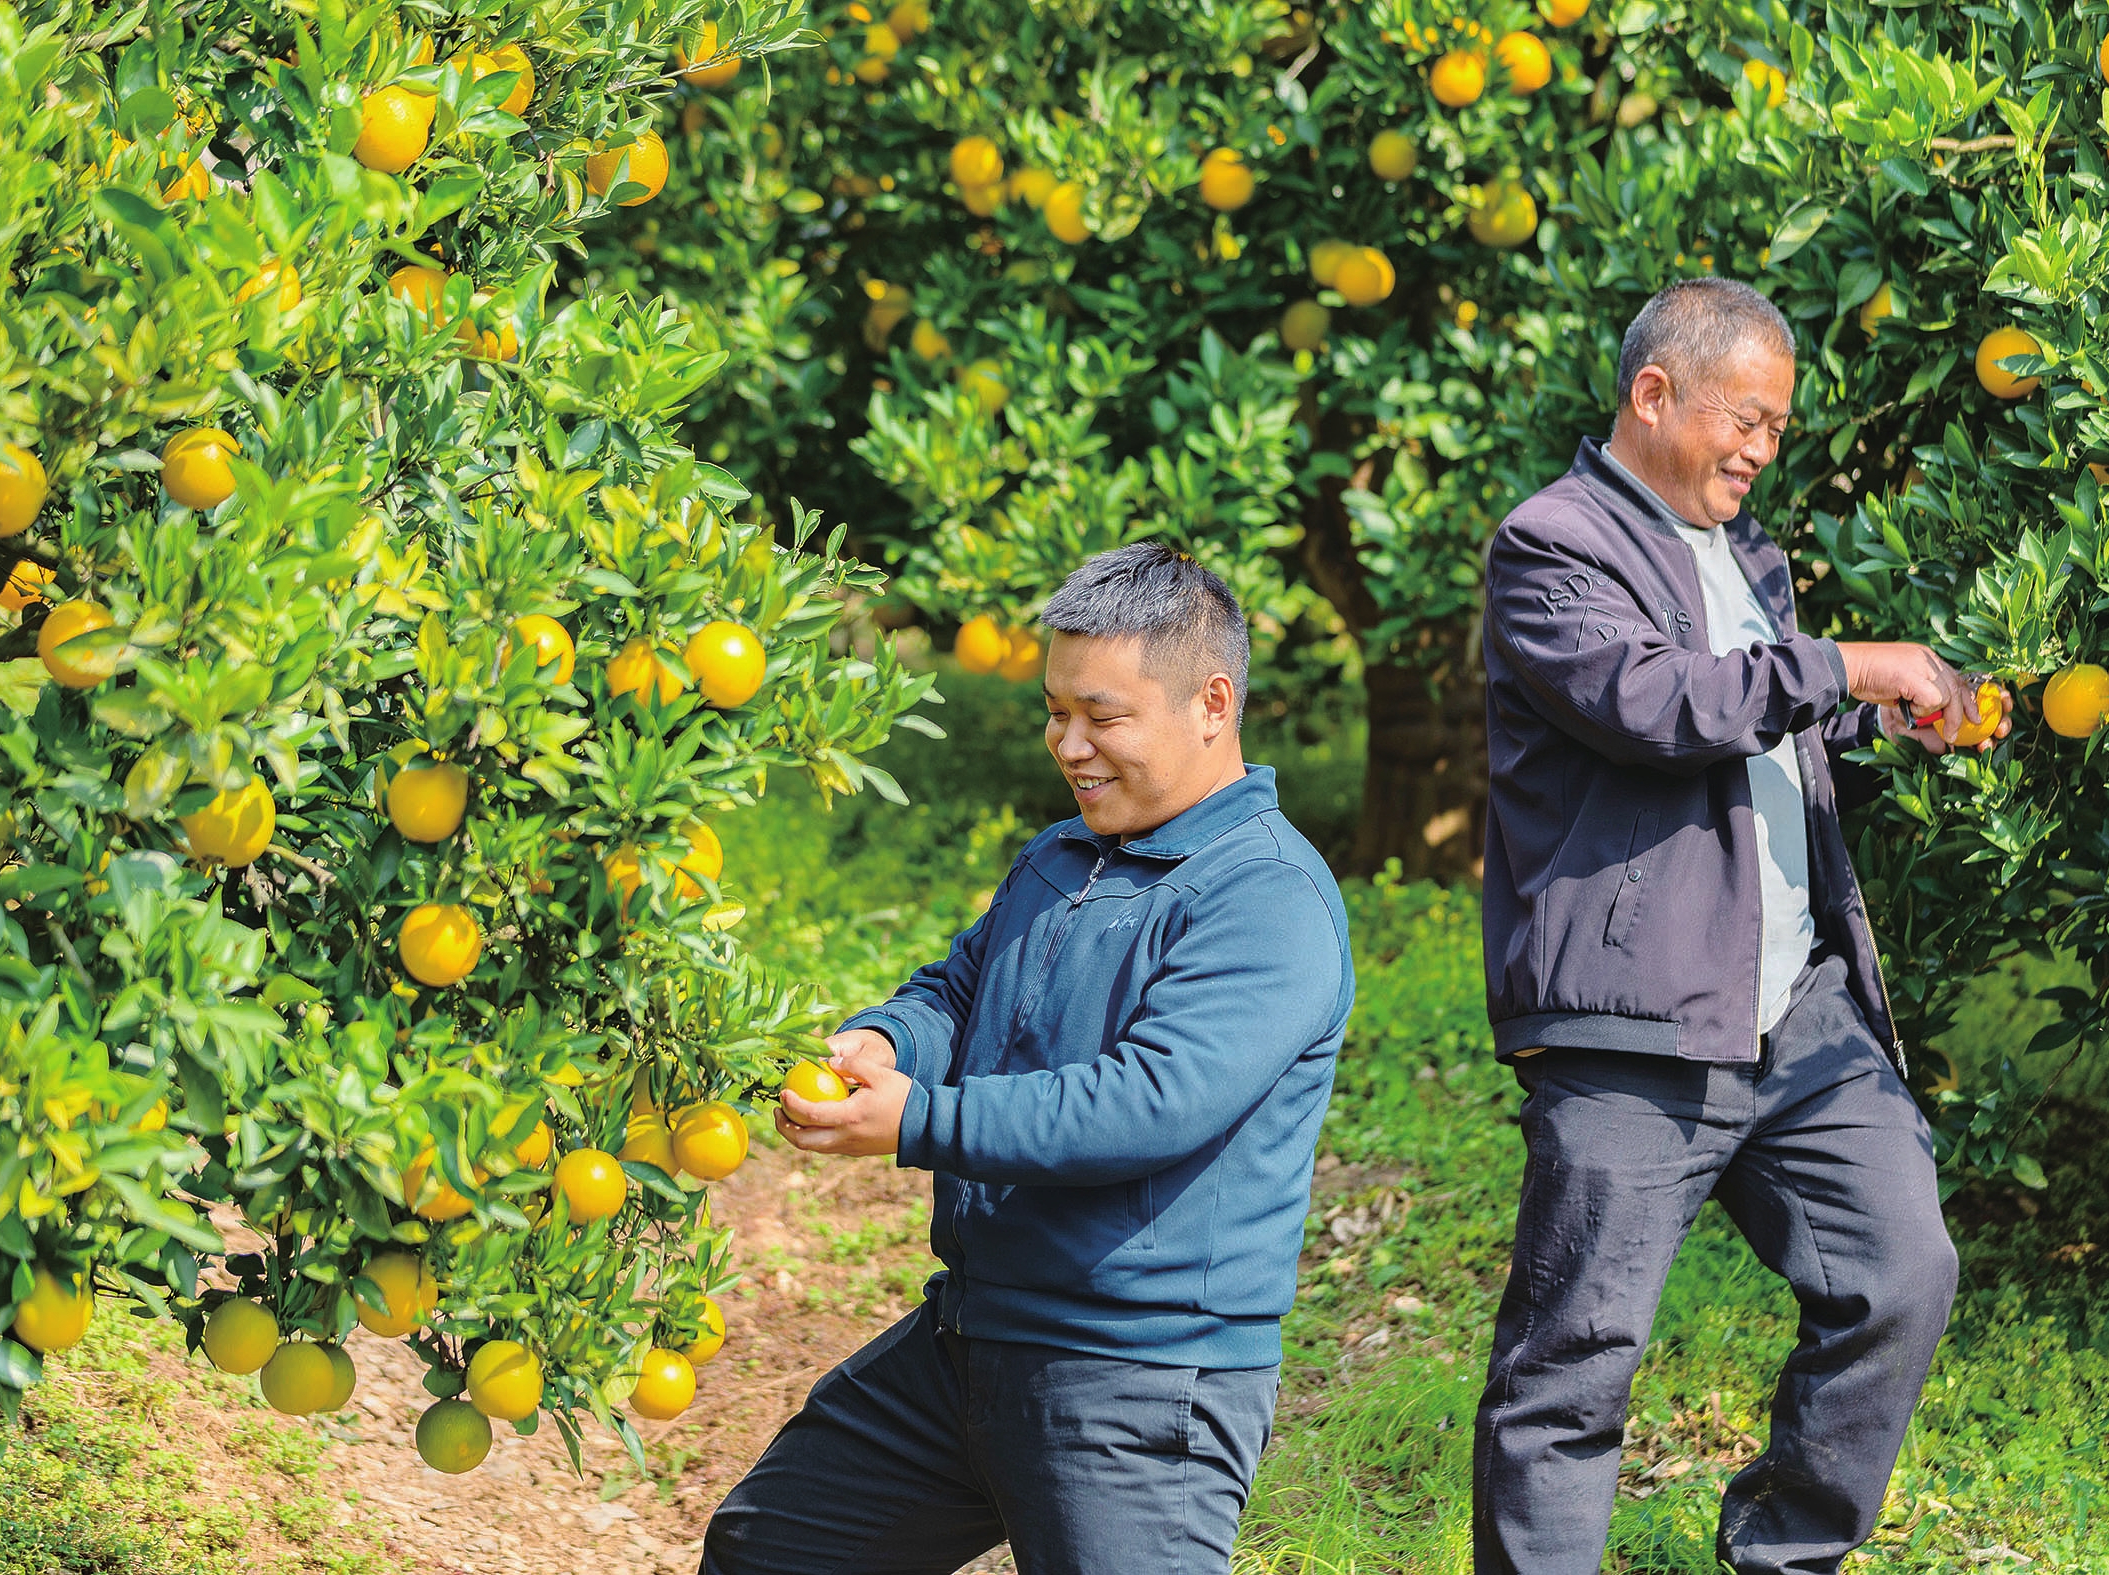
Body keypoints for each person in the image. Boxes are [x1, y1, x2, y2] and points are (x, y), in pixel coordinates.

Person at [1474, 277, 1997, 1573]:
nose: (1761, 448)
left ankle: (1783, 1550)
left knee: (1899, 1272)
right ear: (1653, 393)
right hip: (1634, 1016)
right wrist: (1848, 664)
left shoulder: (1749, 555)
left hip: (1794, 1008)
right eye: (1745, 418)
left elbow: (1768, 735)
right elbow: (1659, 706)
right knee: (1572, 1363)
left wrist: (1880, 726)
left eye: (1776, 427)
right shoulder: (1551, 544)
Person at [703, 542, 1355, 1575]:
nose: (1070, 744)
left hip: (1137, 1377)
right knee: (773, 1549)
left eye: (1102, 716)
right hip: (970, 1341)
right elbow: (960, 992)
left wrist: (917, 1120)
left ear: (1211, 704)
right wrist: (885, 1039)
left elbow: (1148, 1103)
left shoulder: (1267, 897)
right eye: (1056, 711)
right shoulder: (1062, 858)